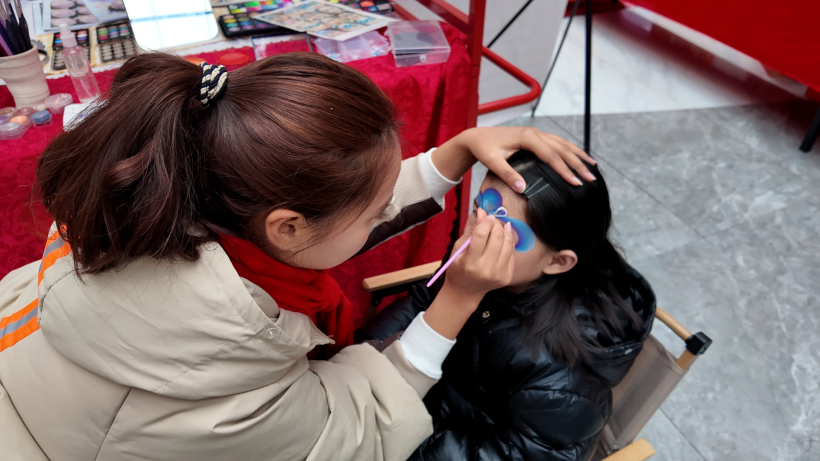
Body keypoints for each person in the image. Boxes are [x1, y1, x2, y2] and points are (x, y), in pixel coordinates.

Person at [0, 53, 594, 461]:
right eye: (376, 213)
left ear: (561, 260)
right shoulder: (224, 384)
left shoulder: (154, 202)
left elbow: (343, 209)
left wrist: (457, 151)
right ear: (287, 229)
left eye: (509, 231)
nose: (484, 228)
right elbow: (358, 431)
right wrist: (457, 298)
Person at [357, 151, 657, 460]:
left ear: (557, 261)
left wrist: (390, 438)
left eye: (501, 234)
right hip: (412, 402)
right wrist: (363, 352)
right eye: (478, 210)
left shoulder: (562, 385)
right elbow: (423, 301)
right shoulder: (480, 255)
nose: (476, 237)